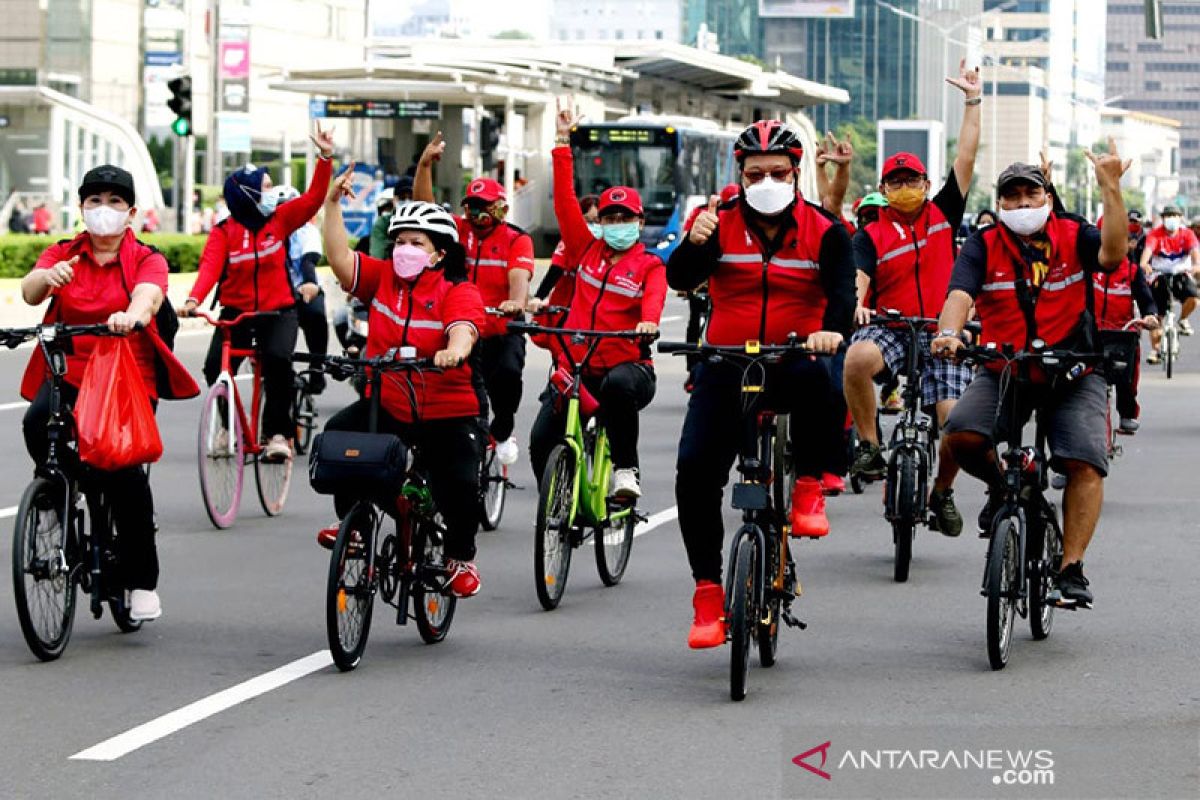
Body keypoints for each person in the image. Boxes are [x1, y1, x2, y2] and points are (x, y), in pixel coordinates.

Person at [668, 119, 854, 649]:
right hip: (728, 362)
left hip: (795, 357)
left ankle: (810, 484)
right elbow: (679, 279)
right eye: (755, 173)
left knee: (825, 379)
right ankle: (708, 593)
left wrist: (831, 332)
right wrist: (692, 242)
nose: (766, 181)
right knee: (694, 471)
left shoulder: (826, 231)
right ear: (741, 175)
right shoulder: (718, 224)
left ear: (796, 173)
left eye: (777, 172)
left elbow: (841, 295)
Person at [932, 142, 1132, 608]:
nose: (1022, 205)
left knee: (1084, 460)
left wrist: (1111, 189)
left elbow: (1112, 255)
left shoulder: (1073, 232)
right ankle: (1004, 488)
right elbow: (960, 293)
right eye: (1012, 197)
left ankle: (1071, 567)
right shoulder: (983, 244)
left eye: (1031, 195)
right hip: (1007, 368)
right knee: (960, 436)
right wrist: (948, 332)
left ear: (1046, 197)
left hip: (1074, 370)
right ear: (1000, 204)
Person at [19, 165, 199, 622]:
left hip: (126, 378)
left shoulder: (145, 257)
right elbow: (28, 291)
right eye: (94, 201)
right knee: (36, 422)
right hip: (71, 372)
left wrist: (132, 314)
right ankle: (57, 498)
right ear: (81, 209)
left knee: (122, 473)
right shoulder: (64, 253)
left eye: (114, 202)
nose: (104, 210)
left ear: (131, 212)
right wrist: (47, 279)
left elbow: (150, 296)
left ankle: (141, 581)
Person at [319, 166, 486, 598]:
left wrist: (454, 351)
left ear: (438, 254)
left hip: (448, 409)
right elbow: (339, 259)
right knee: (339, 436)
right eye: (400, 242)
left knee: (461, 484)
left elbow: (463, 329)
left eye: (417, 243)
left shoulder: (457, 290)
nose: (404, 250)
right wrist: (332, 204)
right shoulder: (383, 279)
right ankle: (353, 524)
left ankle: (459, 557)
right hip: (389, 403)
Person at [844, 60, 983, 537]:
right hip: (890, 327)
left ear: (926, 185)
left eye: (912, 181)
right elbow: (859, 280)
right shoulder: (870, 233)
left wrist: (972, 100)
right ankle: (868, 444)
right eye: (895, 183)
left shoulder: (945, 213)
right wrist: (858, 304)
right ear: (883, 191)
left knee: (956, 424)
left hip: (942, 329)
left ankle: (940, 491)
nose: (905, 189)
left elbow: (965, 157)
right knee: (856, 358)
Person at [527, 99, 666, 499]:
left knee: (619, 388)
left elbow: (654, 299)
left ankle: (626, 472)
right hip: (578, 365)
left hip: (628, 366)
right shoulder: (584, 249)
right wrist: (561, 141)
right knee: (540, 438)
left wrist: (649, 322)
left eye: (626, 219)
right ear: (599, 223)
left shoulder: (650, 266)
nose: (618, 225)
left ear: (640, 223)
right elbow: (565, 201)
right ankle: (557, 504)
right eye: (610, 219)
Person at [181, 124, 335, 462]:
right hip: (235, 312)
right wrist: (193, 300)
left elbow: (312, 200)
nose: (272, 192)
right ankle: (227, 425)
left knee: (278, 362)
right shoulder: (224, 232)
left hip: (279, 310)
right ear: (247, 194)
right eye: (264, 187)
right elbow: (209, 268)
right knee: (214, 369)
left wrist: (325, 158)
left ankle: (278, 434)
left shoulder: (279, 219)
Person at [415, 133, 535, 468]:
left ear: (500, 209)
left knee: (509, 376)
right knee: (470, 396)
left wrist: (516, 302)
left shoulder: (517, 239)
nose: (477, 215)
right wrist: (425, 166)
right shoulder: (457, 231)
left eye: (485, 209)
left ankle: (505, 427)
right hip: (465, 330)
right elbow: (425, 209)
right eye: (472, 208)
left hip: (502, 327)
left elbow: (519, 277)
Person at [1094, 224, 1158, 433]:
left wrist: (1149, 316)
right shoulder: (1089, 269)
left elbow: (1146, 300)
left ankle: (1127, 414)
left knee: (1127, 378)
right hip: (1092, 332)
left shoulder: (1132, 271)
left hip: (1123, 332)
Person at [274, 185, 328, 393]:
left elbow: (308, 260)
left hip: (303, 288)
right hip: (276, 292)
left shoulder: (307, 231)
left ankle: (316, 367)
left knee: (314, 314)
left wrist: (309, 284)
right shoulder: (267, 232)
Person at [1140, 205, 1200, 360]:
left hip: (1181, 274)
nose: (1171, 218)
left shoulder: (1187, 234)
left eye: (1174, 215)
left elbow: (1195, 253)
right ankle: (1155, 350)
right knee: (1156, 316)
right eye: (1168, 215)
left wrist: (1196, 265)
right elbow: (1147, 253)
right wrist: (1145, 263)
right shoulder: (1155, 234)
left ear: (1180, 218)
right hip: (1160, 275)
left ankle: (1183, 319)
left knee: (1193, 298)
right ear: (1163, 218)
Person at [532, 193, 601, 310]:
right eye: (588, 221)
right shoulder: (569, 242)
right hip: (564, 304)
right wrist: (538, 297)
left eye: (597, 221)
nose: (593, 226)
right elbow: (555, 270)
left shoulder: (610, 245)